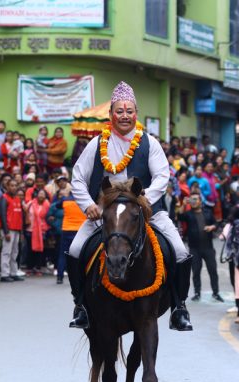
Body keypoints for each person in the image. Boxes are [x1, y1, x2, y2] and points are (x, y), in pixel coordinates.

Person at [68, 81, 193, 331]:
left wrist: (145, 198)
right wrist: (89, 205)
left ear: (136, 113)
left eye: (129, 111)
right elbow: (78, 178)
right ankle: (80, 306)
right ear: (111, 114)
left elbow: (162, 176)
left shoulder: (150, 143)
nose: (124, 116)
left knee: (179, 250)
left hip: (144, 212)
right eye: (119, 111)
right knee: (75, 249)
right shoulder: (96, 144)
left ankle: (179, 307)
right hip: (104, 214)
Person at [179, 192, 222, 302]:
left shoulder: (207, 213)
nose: (193, 202)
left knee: (213, 271)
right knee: (196, 272)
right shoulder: (188, 214)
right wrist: (183, 205)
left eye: (195, 199)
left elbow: (217, 224)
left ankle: (216, 293)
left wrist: (212, 227)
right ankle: (197, 293)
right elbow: (179, 216)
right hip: (194, 248)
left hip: (208, 247)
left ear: (200, 201)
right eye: (191, 200)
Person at [0, 179, 24, 282]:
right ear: (7, 187)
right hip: (8, 230)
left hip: (17, 229)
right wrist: (6, 231)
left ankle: (13, 272)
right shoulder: (4, 198)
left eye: (15, 185)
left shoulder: (18, 199)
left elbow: (20, 216)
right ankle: (4, 274)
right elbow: (3, 216)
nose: (14, 187)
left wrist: (21, 231)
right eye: (11, 186)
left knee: (15, 252)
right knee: (6, 252)